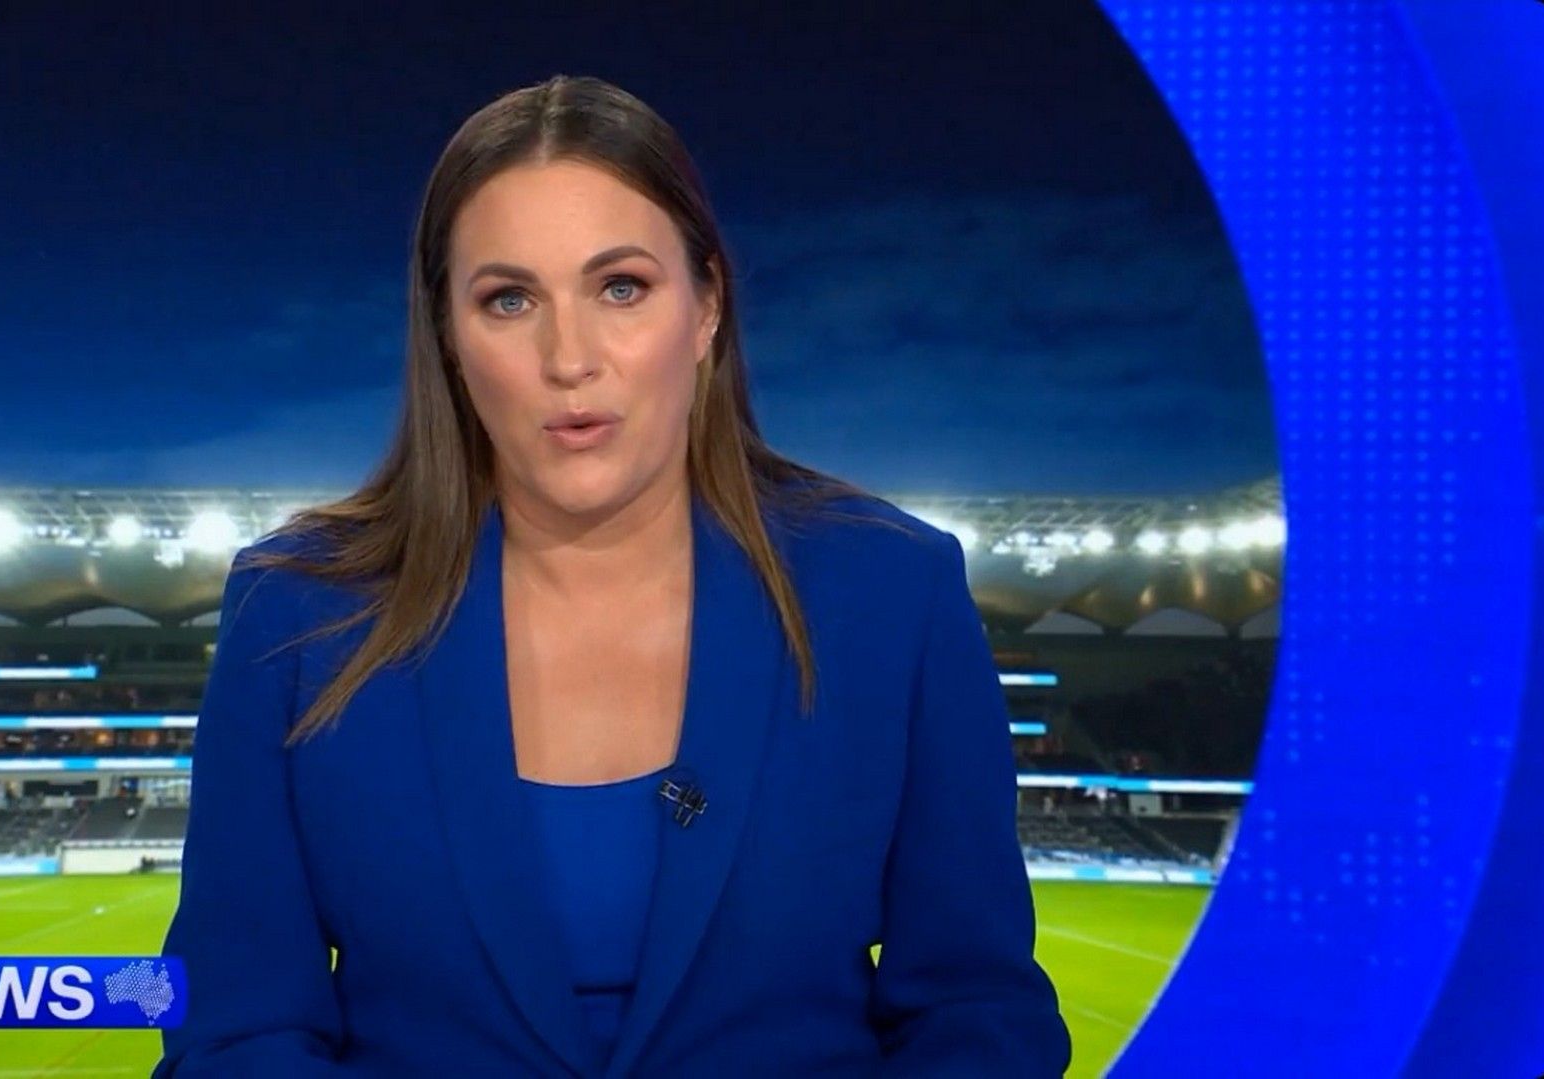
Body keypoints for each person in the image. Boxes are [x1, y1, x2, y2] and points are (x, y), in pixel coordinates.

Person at [155, 74, 1070, 1077]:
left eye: (621, 287)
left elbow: (977, 1013)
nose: (570, 357)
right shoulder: (296, 611)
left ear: (707, 305)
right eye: (509, 299)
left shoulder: (895, 593)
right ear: (450, 337)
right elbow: (235, 1027)